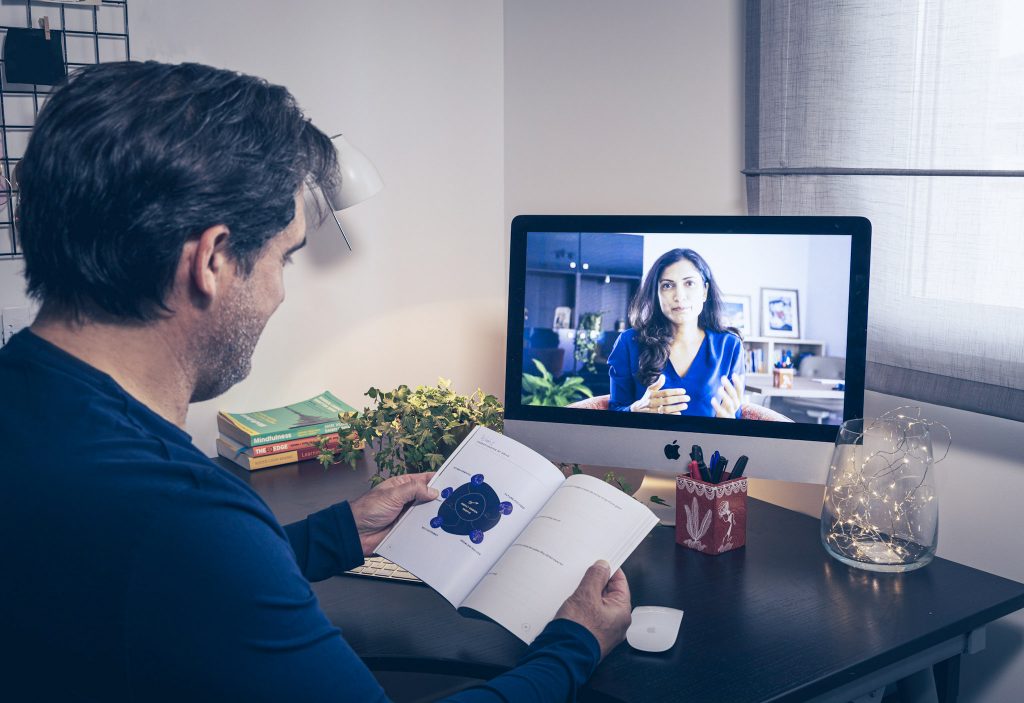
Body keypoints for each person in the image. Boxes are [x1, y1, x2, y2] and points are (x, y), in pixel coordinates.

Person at [0, 61, 631, 702]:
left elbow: (149, 581)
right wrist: (571, 646)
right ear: (213, 260)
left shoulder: (34, 410)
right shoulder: (181, 515)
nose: (279, 293)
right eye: (285, 257)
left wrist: (336, 535)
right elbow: (187, 553)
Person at [607, 248, 745, 417]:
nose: (679, 296)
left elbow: (735, 415)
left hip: (707, 443)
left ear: (704, 291)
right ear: (656, 294)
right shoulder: (629, 342)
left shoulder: (729, 346)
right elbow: (614, 412)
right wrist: (636, 409)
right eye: (667, 285)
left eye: (689, 283)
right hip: (644, 442)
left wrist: (729, 423)